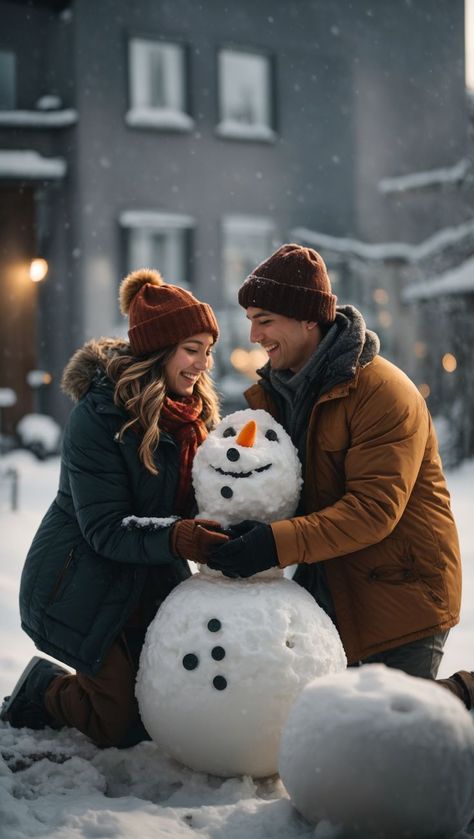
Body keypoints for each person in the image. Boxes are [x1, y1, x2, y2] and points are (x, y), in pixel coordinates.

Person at [208, 243, 464, 686]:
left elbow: (372, 511)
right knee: (328, 729)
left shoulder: (383, 393)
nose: (254, 337)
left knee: (392, 732)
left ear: (309, 319)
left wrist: (272, 544)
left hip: (399, 596)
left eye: (264, 321)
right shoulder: (276, 395)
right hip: (329, 588)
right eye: (251, 321)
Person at [1, 268, 228, 747]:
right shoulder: (99, 416)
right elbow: (104, 528)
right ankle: (43, 691)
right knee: (117, 721)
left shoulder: (193, 417)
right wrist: (181, 537)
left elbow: (201, 499)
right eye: (192, 349)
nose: (203, 364)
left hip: (145, 576)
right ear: (158, 350)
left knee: (160, 705)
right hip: (79, 582)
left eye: (208, 350)